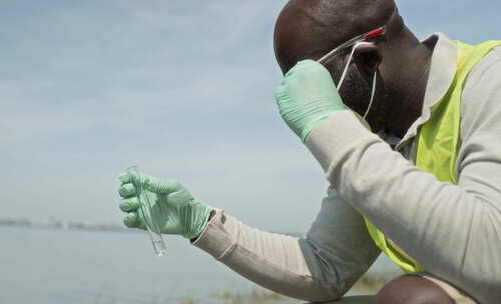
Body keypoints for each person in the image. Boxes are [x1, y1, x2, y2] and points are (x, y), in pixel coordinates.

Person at [117, 0, 501, 303]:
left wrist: (329, 127)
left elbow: (492, 258)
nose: (306, 100)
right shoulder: (375, 140)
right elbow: (326, 268)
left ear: (366, 58)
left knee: (412, 299)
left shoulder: (491, 80)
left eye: (313, 81)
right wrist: (199, 223)